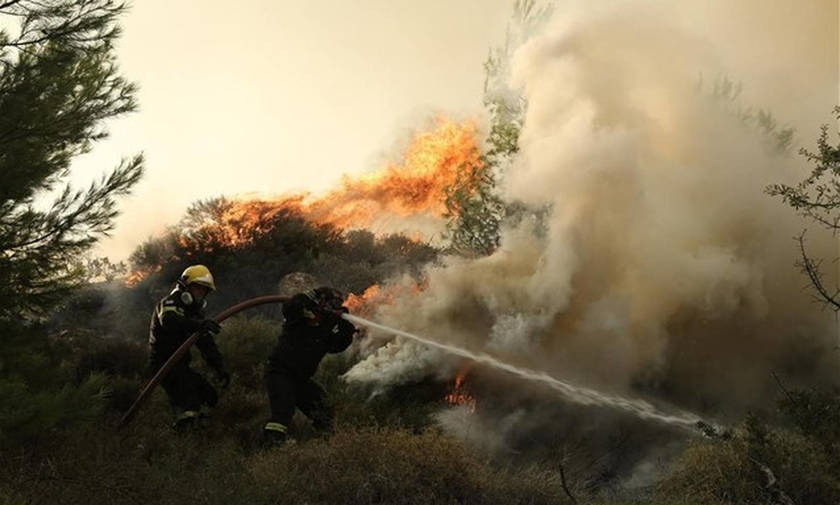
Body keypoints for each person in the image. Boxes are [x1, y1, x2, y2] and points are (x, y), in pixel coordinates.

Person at [263, 286, 356, 444]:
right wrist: (311, 294)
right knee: (282, 415)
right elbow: (290, 307)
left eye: (338, 303)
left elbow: (337, 346)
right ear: (322, 300)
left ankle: (322, 447)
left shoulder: (326, 326)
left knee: (324, 411)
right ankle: (269, 451)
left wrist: (346, 327)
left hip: (301, 379)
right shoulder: (301, 314)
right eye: (332, 302)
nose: (334, 306)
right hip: (280, 373)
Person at [148, 264, 230, 430]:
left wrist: (220, 367)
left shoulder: (194, 315)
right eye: (197, 288)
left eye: (204, 290)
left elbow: (206, 344)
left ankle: (197, 431)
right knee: (189, 400)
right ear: (185, 287)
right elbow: (169, 321)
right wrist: (198, 325)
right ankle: (183, 436)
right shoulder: (169, 303)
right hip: (164, 365)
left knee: (210, 396)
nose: (200, 294)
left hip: (180, 366)